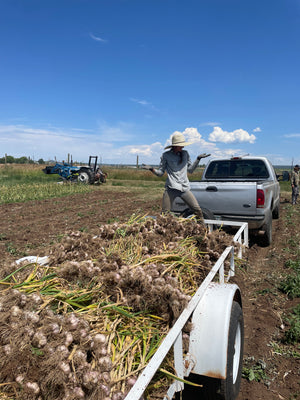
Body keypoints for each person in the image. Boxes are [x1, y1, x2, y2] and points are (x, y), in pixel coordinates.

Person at [143, 132, 210, 222]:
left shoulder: (185, 154)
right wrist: (152, 169)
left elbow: (190, 170)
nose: (182, 147)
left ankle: (203, 228)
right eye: (180, 145)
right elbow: (160, 173)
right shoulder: (166, 155)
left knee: (197, 209)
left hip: (184, 188)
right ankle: (163, 232)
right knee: (165, 213)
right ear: (174, 146)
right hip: (171, 188)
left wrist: (198, 159)